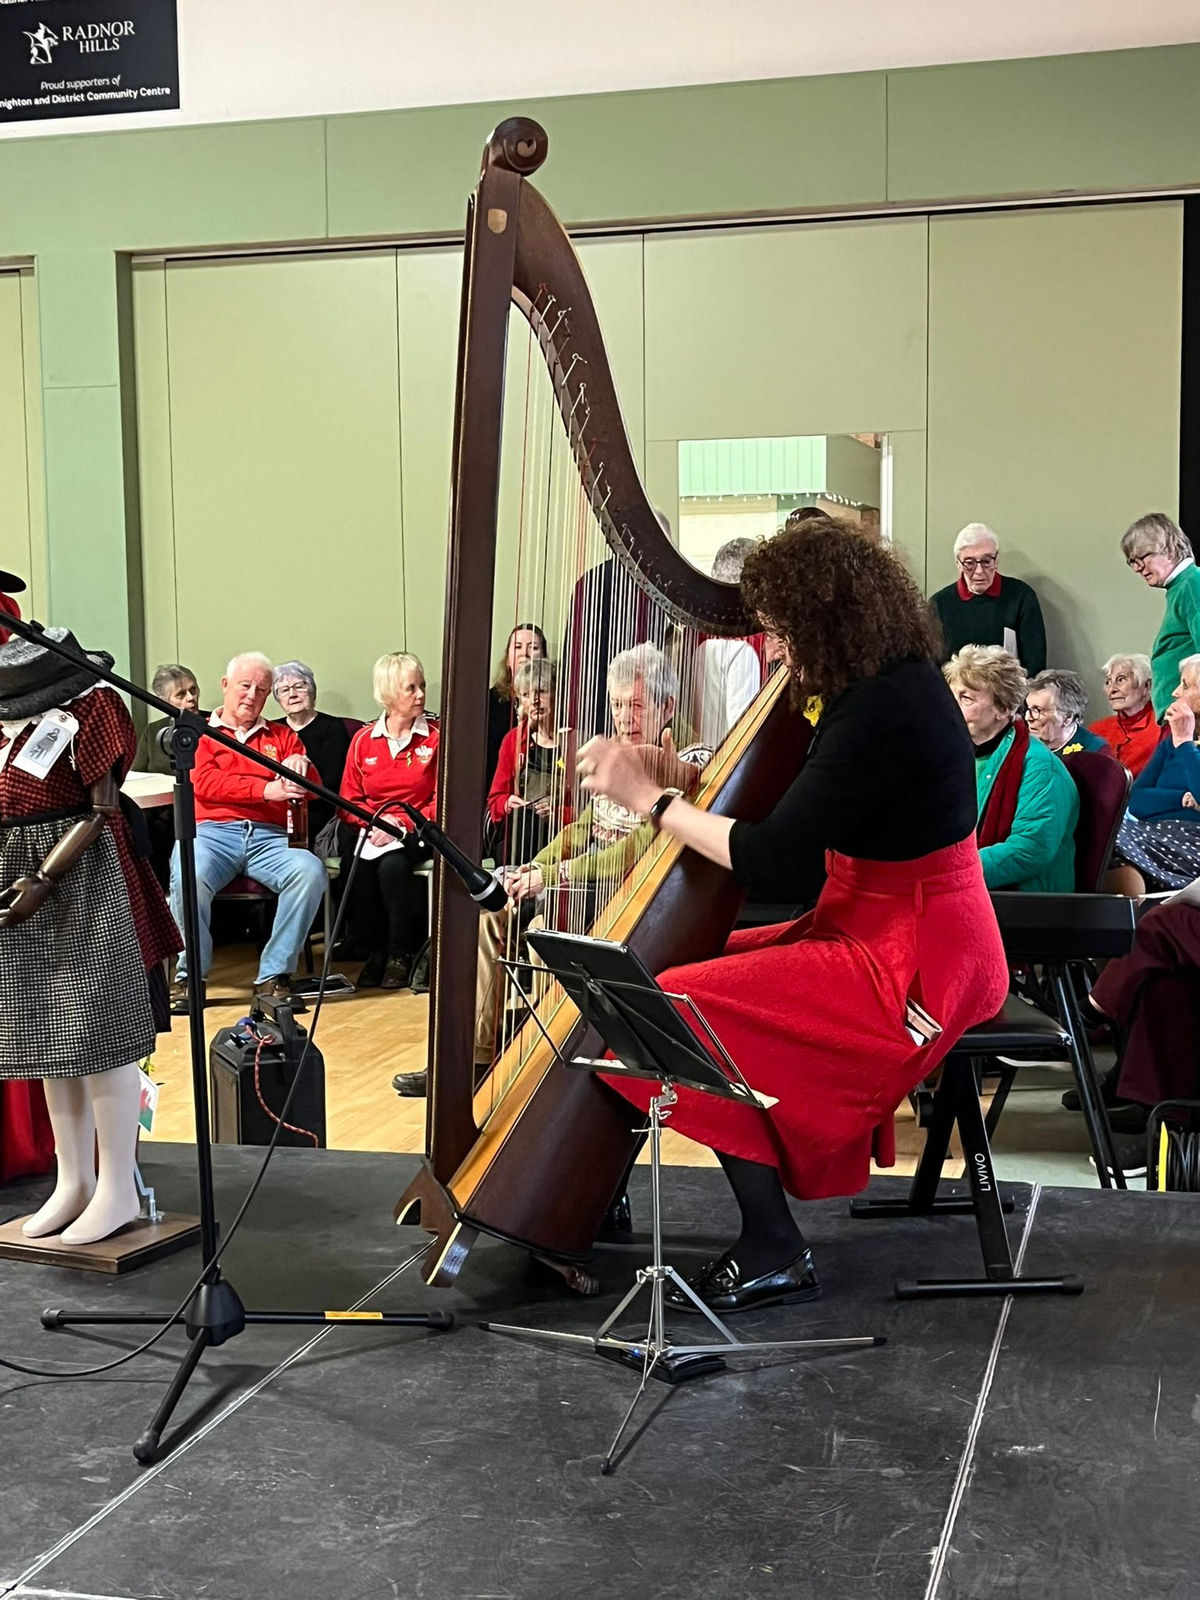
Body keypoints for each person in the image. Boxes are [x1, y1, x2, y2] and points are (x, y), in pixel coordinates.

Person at [573, 516, 1008, 1314]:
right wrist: (671, 773)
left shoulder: (883, 706)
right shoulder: (874, 684)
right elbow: (801, 807)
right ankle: (601, 1191)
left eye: (778, 630)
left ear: (822, 619)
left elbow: (777, 857)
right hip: (869, 921)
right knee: (650, 977)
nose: (771, 649)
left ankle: (774, 1246)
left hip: (920, 958)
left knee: (686, 1001)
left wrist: (650, 799)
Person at [0, 627, 180, 1244]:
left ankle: (119, 1186)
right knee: (47, 1038)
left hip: (84, 881)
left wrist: (44, 878)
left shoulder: (89, 707)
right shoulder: (6, 719)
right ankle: (73, 1180)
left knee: (101, 1034)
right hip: (18, 882)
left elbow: (102, 808)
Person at [169, 652, 327, 1013]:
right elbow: (204, 782)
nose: (252, 695)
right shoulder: (198, 733)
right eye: (245, 686)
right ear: (225, 686)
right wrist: (265, 788)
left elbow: (313, 791)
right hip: (211, 833)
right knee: (188, 870)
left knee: (310, 871)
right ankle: (189, 976)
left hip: (269, 837)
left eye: (261, 690)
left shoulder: (283, 736)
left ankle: (274, 976)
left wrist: (303, 767)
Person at [339, 652, 438, 990]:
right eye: (411, 688)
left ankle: (400, 953)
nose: (421, 695)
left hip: (419, 831)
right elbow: (348, 801)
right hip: (373, 831)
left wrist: (402, 825)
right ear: (389, 693)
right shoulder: (363, 741)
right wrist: (374, 824)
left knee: (392, 868)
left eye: (422, 686)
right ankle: (374, 952)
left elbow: (444, 800)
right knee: (359, 867)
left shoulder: (437, 737)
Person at [944, 645, 1079, 892]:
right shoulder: (959, 754)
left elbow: (1030, 849)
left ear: (1004, 708)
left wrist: (947, 872)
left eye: (966, 698)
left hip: (1027, 903)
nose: (952, 708)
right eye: (951, 697)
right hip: (970, 884)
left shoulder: (1039, 766)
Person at [1107, 655, 1200, 894]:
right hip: (1151, 833)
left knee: (1112, 839)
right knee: (1104, 839)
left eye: (1186, 686)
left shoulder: (1179, 741)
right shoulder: (1172, 743)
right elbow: (1136, 800)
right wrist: (1182, 798)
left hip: (1192, 840)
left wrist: (1184, 743)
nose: (1175, 693)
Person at [929, 523, 1046, 674]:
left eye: (986, 561)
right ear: (958, 564)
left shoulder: (1021, 596)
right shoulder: (939, 604)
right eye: (969, 563)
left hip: (1008, 694)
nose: (978, 571)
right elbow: (932, 666)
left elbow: (1035, 666)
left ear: (996, 561)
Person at [484, 658, 568, 866]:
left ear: (558, 694)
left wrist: (556, 814)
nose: (534, 700)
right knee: (523, 823)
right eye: (526, 695)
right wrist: (507, 803)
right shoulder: (513, 740)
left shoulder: (575, 742)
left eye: (541, 691)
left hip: (560, 835)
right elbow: (495, 799)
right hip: (519, 831)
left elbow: (586, 810)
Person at [1121, 513, 1200, 718]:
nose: (1138, 568)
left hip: (1189, 719)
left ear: (1170, 548)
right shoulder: (1182, 587)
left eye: (1143, 557)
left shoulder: (1192, 584)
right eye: (1132, 562)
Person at [692, 537, 764, 748]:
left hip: (706, 749)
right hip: (729, 759)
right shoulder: (743, 645)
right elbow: (740, 729)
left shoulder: (699, 632)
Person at [271, 660, 354, 843]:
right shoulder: (274, 730)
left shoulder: (333, 728)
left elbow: (332, 782)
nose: (292, 694)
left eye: (299, 686)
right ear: (278, 699)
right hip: (277, 810)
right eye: (284, 690)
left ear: (312, 691)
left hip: (320, 810)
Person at [486, 624, 547, 791]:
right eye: (517, 647)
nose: (524, 654)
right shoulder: (489, 702)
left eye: (533, 647)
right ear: (507, 658)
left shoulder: (555, 704)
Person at [1089, 653, 1161, 776]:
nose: (1112, 689)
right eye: (1108, 682)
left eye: (1121, 679)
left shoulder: (1163, 727)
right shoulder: (1096, 731)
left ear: (1146, 686)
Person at [1024, 669, 1109, 756]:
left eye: (1037, 710)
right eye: (1028, 708)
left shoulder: (1094, 751)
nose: (1028, 718)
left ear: (1067, 717)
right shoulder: (1023, 746)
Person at [136, 663, 201, 775]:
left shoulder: (213, 725)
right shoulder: (152, 731)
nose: (191, 698)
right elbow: (137, 775)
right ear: (164, 702)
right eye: (181, 694)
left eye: (193, 690)